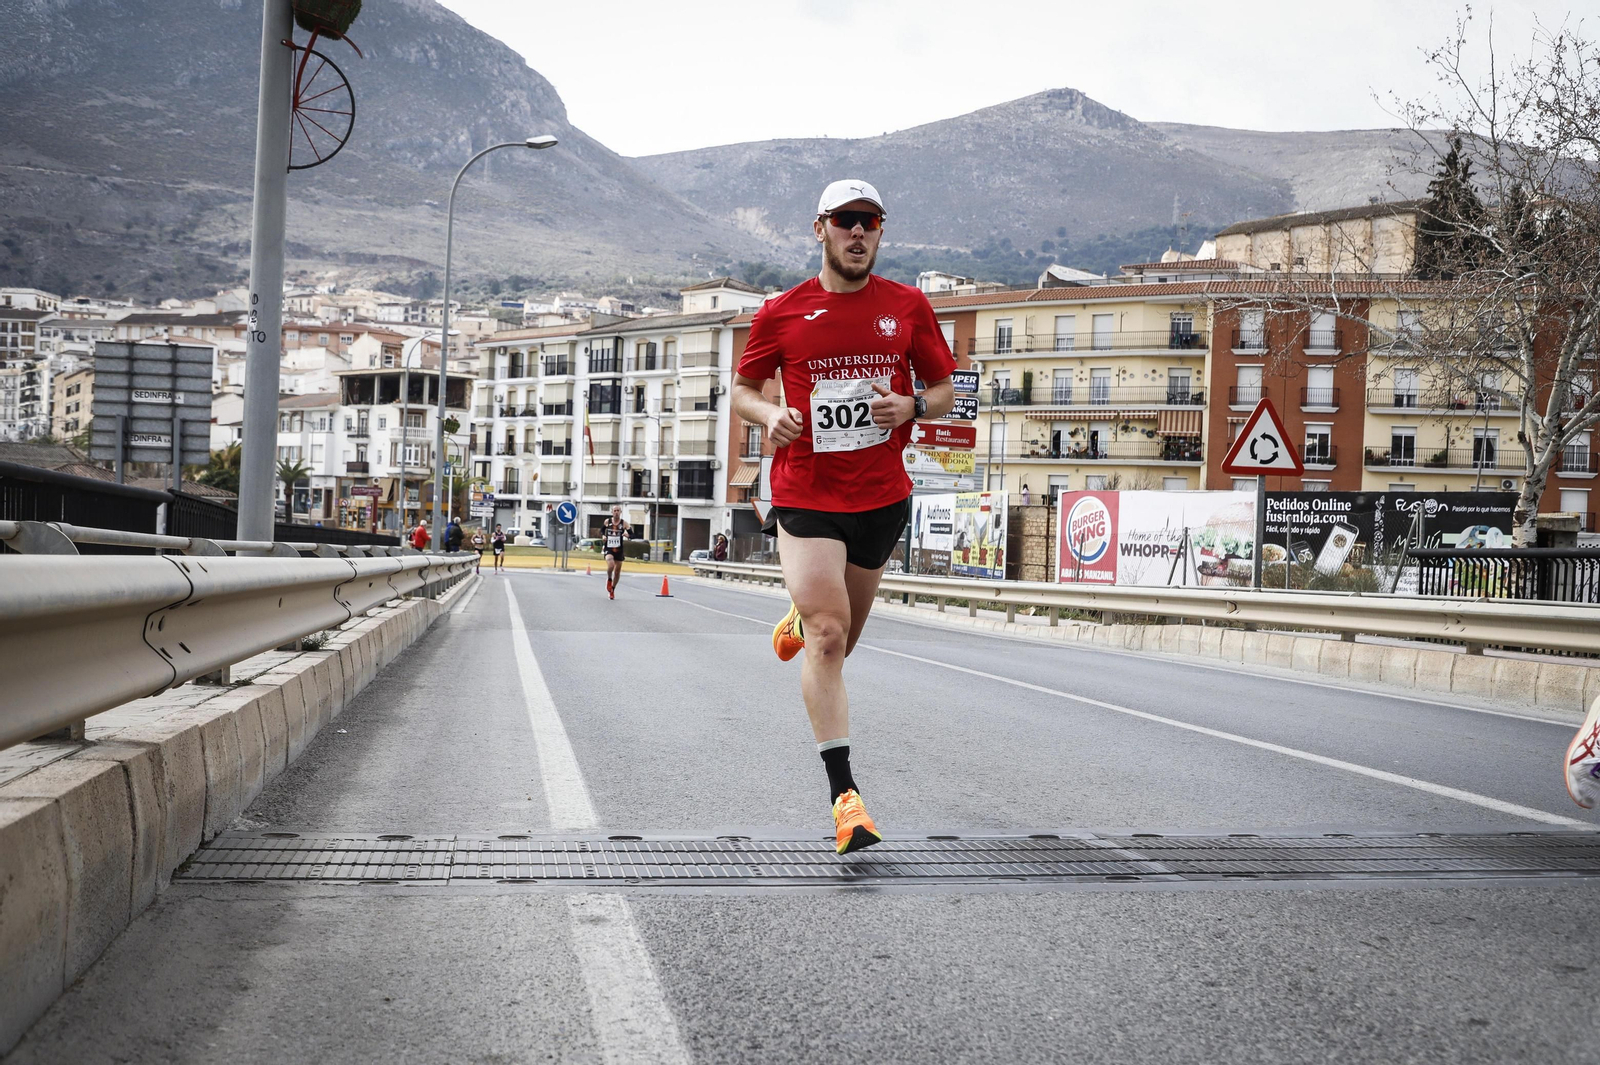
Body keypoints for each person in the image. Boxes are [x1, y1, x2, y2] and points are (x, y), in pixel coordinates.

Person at [730, 178, 956, 854]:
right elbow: (742, 390)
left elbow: (945, 390)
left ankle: (802, 614)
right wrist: (772, 414)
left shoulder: (909, 307)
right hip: (806, 490)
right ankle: (845, 797)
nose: (860, 233)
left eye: (872, 223)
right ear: (820, 228)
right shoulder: (782, 312)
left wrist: (912, 406)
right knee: (830, 636)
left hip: (881, 498)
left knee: (840, 638)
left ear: (881, 232)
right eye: (847, 221)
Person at [602, 505, 631, 600]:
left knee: (617, 571)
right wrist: (603, 536)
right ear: (612, 512)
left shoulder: (624, 523)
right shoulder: (607, 521)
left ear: (620, 512)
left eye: (618, 510)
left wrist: (628, 535)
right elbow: (601, 530)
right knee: (610, 565)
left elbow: (633, 534)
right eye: (614, 510)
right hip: (609, 548)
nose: (616, 512)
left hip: (619, 549)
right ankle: (609, 579)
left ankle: (612, 590)